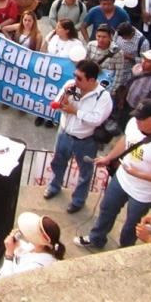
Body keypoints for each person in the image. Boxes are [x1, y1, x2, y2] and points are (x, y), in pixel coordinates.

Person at [75, 99, 151, 250]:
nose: (138, 121)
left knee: (132, 224)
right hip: (122, 180)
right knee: (106, 209)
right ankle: (96, 238)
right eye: (137, 117)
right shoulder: (132, 124)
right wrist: (109, 157)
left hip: (143, 193)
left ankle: (125, 249)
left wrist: (138, 174)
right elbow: (125, 141)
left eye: (142, 119)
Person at [43, 59, 113, 213]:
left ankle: (78, 200)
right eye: (75, 76)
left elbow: (96, 119)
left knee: (85, 172)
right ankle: (54, 187)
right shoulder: (71, 85)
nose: (75, 80)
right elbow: (56, 105)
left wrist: (74, 111)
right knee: (58, 163)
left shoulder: (103, 97)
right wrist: (65, 97)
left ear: (91, 80)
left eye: (79, 78)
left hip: (85, 141)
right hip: (64, 134)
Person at [0, 212, 65, 277]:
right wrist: (16, 245)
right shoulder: (37, 246)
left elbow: (9, 281)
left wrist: (9, 254)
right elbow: (26, 251)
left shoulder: (37, 266)